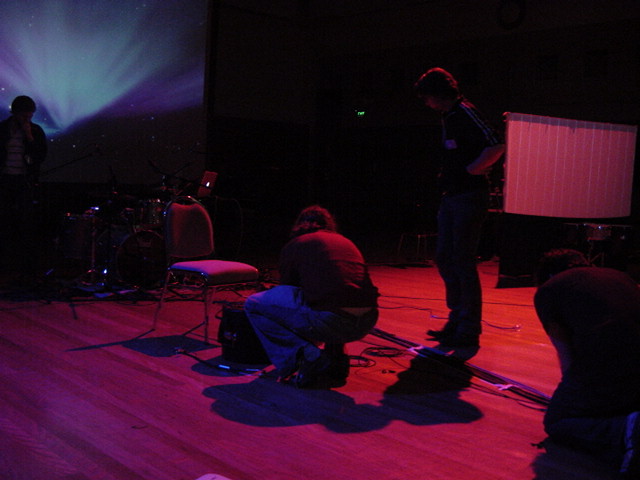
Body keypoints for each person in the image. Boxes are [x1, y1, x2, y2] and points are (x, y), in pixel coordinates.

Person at [414, 67, 504, 348]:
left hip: (469, 195)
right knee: (445, 257)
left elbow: (497, 143)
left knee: (462, 261)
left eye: (427, 97)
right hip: (452, 195)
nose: (426, 103)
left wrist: (472, 169)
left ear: (438, 93)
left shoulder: (465, 111)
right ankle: (457, 318)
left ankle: (468, 327)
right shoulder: (449, 115)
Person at [244, 205, 379, 388]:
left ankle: (309, 358)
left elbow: (288, 289)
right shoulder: (345, 242)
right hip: (367, 320)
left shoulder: (297, 244)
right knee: (332, 296)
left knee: (254, 304)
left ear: (299, 225)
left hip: (332, 321)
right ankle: (337, 359)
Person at [534, 248, 640, 479]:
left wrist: (569, 398)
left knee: (558, 422)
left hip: (611, 365)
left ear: (549, 275)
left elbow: (567, 357)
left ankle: (626, 429)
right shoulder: (619, 276)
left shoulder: (549, 290)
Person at [0, 95, 48, 276]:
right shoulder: (2, 129)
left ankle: (23, 267)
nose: (27, 119)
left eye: (29, 116)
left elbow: (40, 156)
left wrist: (29, 136)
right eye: (23, 115)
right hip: (4, 180)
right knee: (4, 220)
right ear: (15, 113)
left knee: (25, 222)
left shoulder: (35, 131)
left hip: (24, 181)